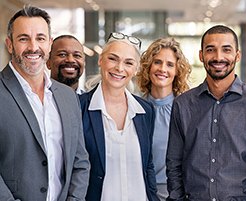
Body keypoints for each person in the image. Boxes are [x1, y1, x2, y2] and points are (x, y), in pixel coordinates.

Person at [166, 25, 246, 201]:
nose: (218, 57)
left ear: (237, 55)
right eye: (210, 50)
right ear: (201, 55)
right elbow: (174, 164)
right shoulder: (182, 105)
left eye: (226, 50)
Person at [0, 5, 90, 201]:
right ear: (9, 44)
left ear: (49, 44)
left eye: (40, 38)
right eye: (23, 39)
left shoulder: (68, 96)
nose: (33, 47)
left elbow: (80, 161)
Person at [79, 32, 159, 201]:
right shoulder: (80, 107)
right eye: (113, 59)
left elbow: (148, 165)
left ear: (135, 69)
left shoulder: (145, 110)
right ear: (101, 60)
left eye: (128, 62)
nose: (119, 68)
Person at [136, 37, 192, 201]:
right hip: (141, 193)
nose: (162, 69)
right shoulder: (134, 109)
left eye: (170, 65)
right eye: (157, 62)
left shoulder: (186, 111)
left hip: (177, 195)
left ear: (177, 71)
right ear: (148, 67)